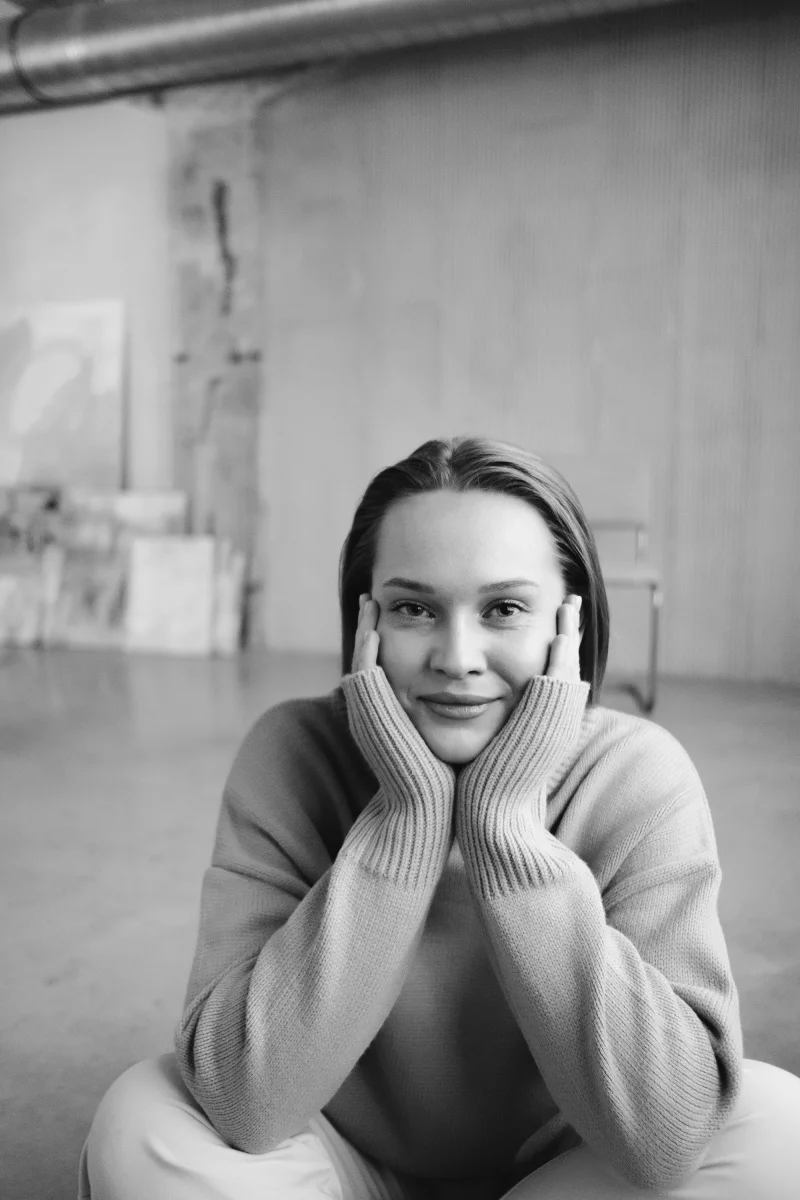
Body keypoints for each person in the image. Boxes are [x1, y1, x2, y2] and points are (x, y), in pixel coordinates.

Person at [78, 436, 800, 1200]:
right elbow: (243, 1099)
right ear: (367, 619)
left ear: (570, 626)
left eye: (504, 609)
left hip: (569, 1169)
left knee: (782, 1134)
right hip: (335, 1160)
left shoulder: (638, 773)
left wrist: (506, 831)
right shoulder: (291, 753)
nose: (457, 657)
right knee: (140, 1125)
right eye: (414, 608)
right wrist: (407, 819)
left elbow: (670, 1135)